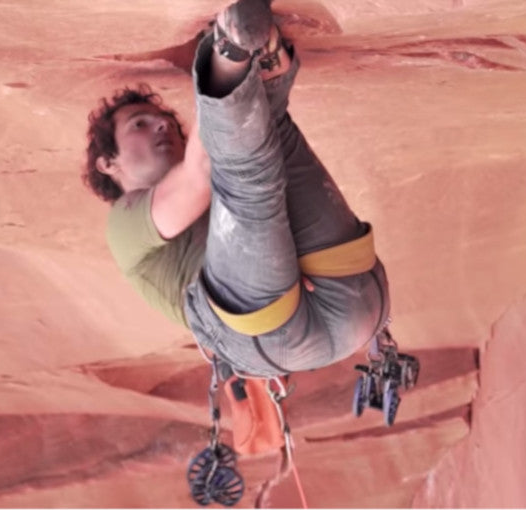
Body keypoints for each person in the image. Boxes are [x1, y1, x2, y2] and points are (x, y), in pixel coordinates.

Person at [82, 0, 391, 452]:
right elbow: (200, 178)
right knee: (246, 179)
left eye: (166, 120)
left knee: (266, 143)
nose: (162, 126)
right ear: (108, 163)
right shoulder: (124, 223)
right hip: (268, 330)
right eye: (139, 124)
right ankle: (232, 61)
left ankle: (259, 76)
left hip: (342, 315)